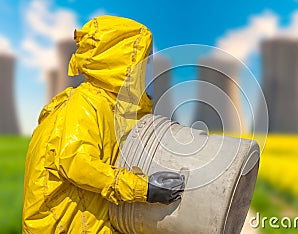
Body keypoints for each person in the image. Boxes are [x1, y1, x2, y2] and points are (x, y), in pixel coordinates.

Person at [22, 15, 184, 233]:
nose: (148, 71)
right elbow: (78, 164)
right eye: (143, 62)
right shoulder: (84, 104)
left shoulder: (112, 108)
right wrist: (143, 189)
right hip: (62, 226)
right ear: (120, 65)